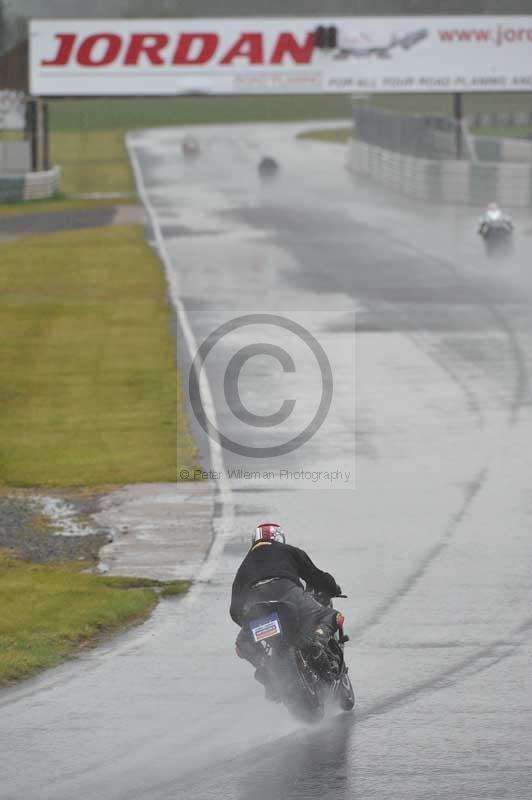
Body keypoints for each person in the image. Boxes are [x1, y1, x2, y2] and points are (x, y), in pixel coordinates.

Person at [230, 522, 342, 697]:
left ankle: (265, 669)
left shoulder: (244, 566)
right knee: (330, 615)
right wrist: (333, 588)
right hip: (287, 593)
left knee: (242, 645)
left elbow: (234, 610)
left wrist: (250, 624)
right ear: (279, 538)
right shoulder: (287, 550)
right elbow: (317, 576)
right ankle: (319, 643)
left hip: (257, 607)